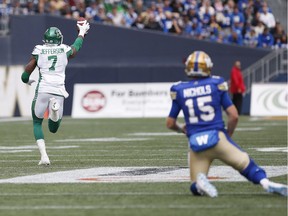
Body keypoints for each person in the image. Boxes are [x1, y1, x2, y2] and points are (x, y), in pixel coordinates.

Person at [166, 51, 288, 197]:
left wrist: (181, 129)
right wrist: (227, 135)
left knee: (194, 184)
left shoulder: (179, 89)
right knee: (246, 165)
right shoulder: (216, 84)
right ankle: (265, 183)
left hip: (196, 143)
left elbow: (170, 123)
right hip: (218, 138)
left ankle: (200, 184)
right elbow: (234, 116)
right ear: (208, 67)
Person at [21, 20, 90, 165]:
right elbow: (75, 48)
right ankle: (53, 112)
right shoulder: (64, 49)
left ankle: (44, 156)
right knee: (53, 129)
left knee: (37, 123)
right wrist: (82, 33)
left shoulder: (39, 49)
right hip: (58, 90)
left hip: (43, 89)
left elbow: (27, 71)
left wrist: (26, 80)